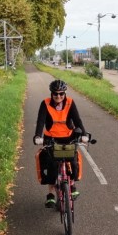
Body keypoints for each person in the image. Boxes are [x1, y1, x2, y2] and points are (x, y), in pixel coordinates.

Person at [34, 79, 87, 208]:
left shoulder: (70, 103)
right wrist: (38, 136)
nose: (58, 96)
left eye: (61, 93)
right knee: (51, 164)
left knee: (73, 161)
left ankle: (72, 185)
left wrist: (84, 135)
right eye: (55, 93)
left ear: (65, 93)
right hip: (51, 139)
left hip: (68, 137)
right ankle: (51, 194)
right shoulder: (45, 103)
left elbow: (77, 120)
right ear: (51, 93)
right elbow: (40, 121)